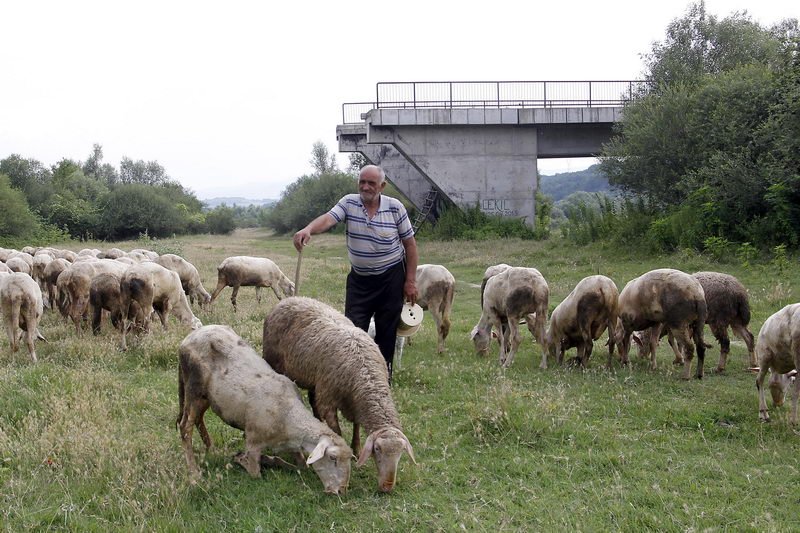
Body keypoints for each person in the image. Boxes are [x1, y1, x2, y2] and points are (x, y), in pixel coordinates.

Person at [293, 165, 418, 380]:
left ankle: (382, 379)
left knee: (386, 332)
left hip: (391, 278)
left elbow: (410, 245)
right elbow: (328, 218)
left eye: (371, 183)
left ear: (382, 186)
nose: (366, 187)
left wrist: (410, 281)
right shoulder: (349, 202)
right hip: (360, 281)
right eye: (362, 181)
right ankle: (354, 379)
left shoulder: (395, 208)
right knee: (352, 330)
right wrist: (308, 229)